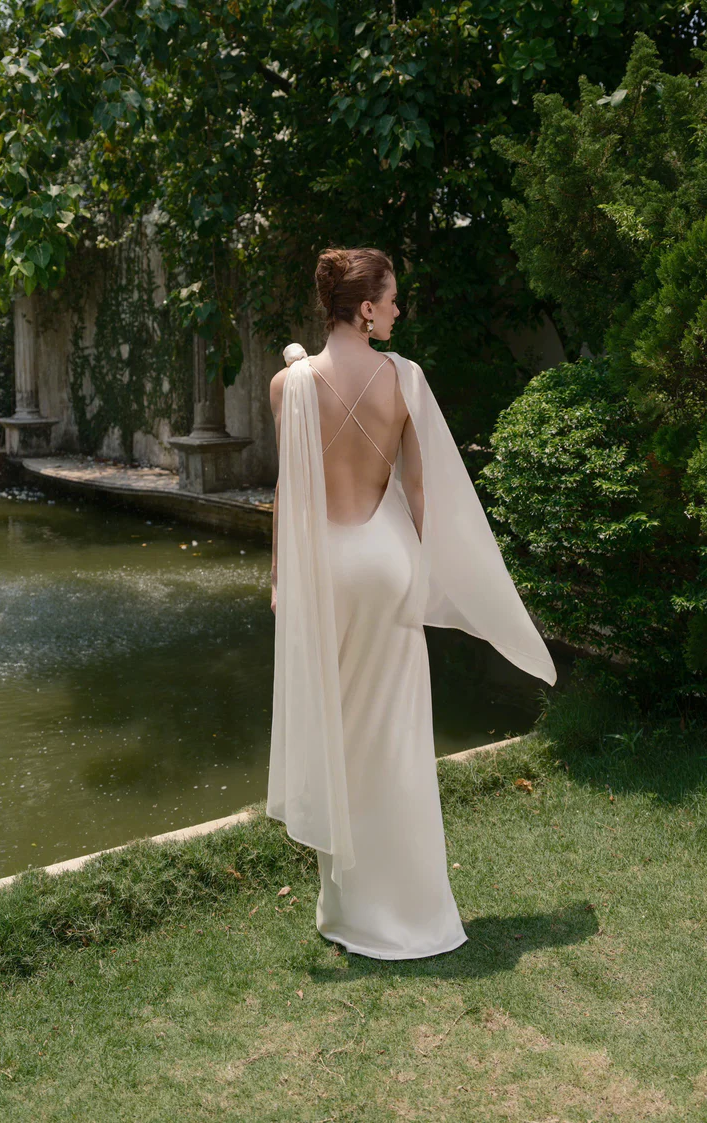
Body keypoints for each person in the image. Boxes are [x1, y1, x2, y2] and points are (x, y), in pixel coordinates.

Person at [267, 246, 557, 960]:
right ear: (365, 309)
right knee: (394, 739)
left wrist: (278, 580)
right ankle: (412, 911)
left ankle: (349, 910)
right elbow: (421, 491)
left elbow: (287, 493)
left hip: (324, 570)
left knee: (339, 733)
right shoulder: (404, 378)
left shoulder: (288, 385)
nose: (398, 309)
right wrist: (429, 573)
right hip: (386, 562)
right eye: (392, 298)